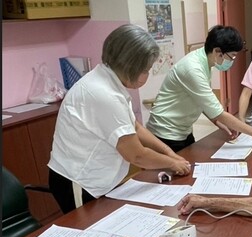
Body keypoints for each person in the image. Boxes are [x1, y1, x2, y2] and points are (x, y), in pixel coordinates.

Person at [48, 24, 191, 214]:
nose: (147, 76)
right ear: (130, 65)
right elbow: (136, 155)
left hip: (100, 178)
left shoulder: (109, 82)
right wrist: (172, 163)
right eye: (146, 70)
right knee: (91, 231)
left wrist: (169, 152)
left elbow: (135, 127)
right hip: (79, 181)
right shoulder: (103, 94)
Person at [147, 25, 252, 152]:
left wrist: (216, 121)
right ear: (217, 51)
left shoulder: (203, 61)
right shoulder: (193, 69)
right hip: (165, 133)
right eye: (232, 56)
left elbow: (201, 101)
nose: (232, 60)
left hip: (182, 131)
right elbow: (219, 112)